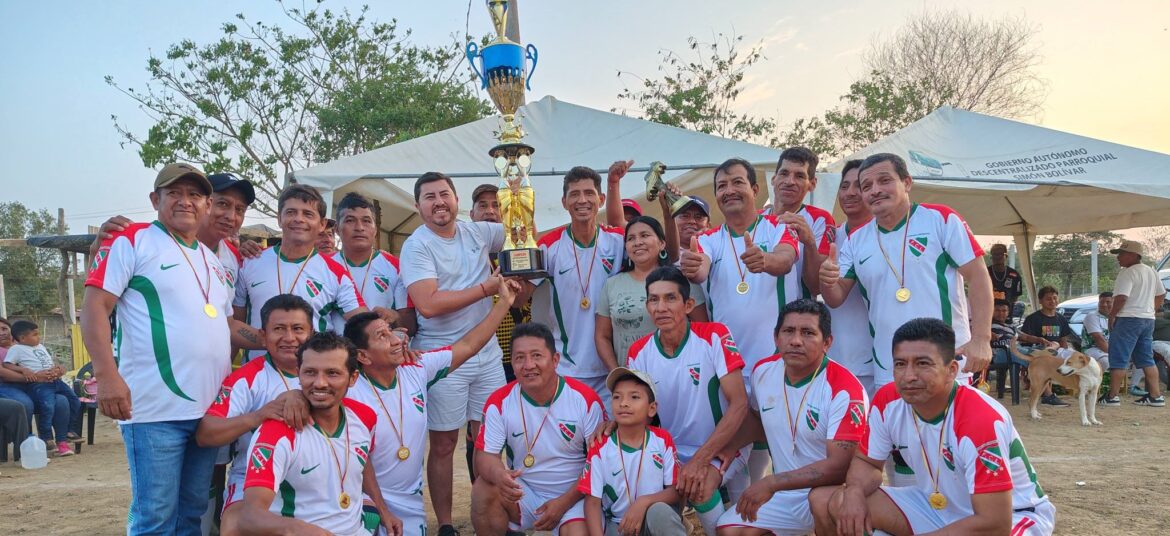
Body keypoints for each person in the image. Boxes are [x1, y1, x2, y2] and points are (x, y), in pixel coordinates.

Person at [80, 163, 250, 534]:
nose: (185, 202)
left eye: (194, 195)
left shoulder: (213, 260)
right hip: (155, 409)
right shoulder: (131, 239)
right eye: (174, 193)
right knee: (155, 517)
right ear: (155, 200)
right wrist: (106, 375)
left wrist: (274, 339)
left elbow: (223, 324)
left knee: (190, 512)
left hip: (206, 412)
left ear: (206, 205)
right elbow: (94, 307)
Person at [810, 318, 1054, 536]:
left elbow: (994, 524)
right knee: (830, 501)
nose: (909, 376)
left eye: (923, 364)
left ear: (951, 371)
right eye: (900, 364)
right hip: (939, 506)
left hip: (1013, 517)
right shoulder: (888, 401)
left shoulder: (979, 419)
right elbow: (867, 462)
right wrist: (853, 491)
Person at [344, 278, 521, 536]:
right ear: (362, 355)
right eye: (382, 336)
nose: (395, 340)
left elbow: (469, 345)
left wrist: (504, 303)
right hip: (365, 502)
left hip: (411, 505)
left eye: (392, 331)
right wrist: (382, 510)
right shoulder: (349, 391)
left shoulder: (416, 369)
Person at [819, 153, 994, 391]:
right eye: (867, 186)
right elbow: (836, 297)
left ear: (907, 183)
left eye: (884, 181)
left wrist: (982, 338)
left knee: (944, 428)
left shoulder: (940, 219)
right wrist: (827, 280)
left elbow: (978, 275)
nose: (875, 190)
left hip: (945, 362)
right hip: (888, 368)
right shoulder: (856, 240)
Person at [678, 157, 799, 486]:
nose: (728, 190)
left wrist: (767, 260)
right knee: (739, 453)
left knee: (783, 448)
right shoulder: (709, 239)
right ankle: (745, 514)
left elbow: (786, 260)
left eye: (736, 183)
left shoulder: (779, 229)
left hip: (776, 361)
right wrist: (693, 266)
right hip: (729, 365)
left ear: (755, 190)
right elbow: (700, 267)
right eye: (721, 186)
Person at [400, 172, 508, 536]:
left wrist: (519, 197)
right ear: (418, 207)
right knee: (445, 443)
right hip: (441, 356)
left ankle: (489, 517)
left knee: (489, 439)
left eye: (444, 194)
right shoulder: (416, 246)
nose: (439, 202)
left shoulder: (478, 231)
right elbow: (427, 305)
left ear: (457, 199)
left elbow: (520, 230)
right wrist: (485, 288)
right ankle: (446, 524)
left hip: (488, 352)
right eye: (429, 197)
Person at [714, 300, 868, 536]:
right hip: (785, 493)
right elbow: (757, 420)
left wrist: (771, 482)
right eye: (788, 331)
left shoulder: (845, 389)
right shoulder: (762, 371)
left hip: (831, 492)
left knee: (821, 502)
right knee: (730, 530)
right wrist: (730, 446)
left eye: (808, 333)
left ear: (827, 342)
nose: (796, 340)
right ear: (776, 337)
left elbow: (840, 466)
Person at [624, 266, 750, 536]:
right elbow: (639, 415)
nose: (661, 307)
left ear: (688, 304)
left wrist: (699, 460)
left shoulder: (714, 336)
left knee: (700, 486)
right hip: (672, 452)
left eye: (670, 298)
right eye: (654, 300)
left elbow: (739, 403)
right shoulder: (639, 351)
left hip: (721, 446)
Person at [239, 332, 398, 536]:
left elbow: (361, 460)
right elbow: (250, 516)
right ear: (298, 373)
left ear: (353, 377)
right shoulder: (275, 432)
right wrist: (300, 530)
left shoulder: (364, 417)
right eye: (310, 372)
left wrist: (383, 510)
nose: (320, 383)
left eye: (332, 373)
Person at [195, 294, 317, 534]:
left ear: (311, 333)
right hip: (252, 476)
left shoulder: (332, 372)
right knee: (233, 527)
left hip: (318, 476)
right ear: (263, 335)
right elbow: (205, 434)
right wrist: (259, 415)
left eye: (298, 329)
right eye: (279, 329)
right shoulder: (247, 378)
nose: (289, 338)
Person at [472, 322, 606, 536]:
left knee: (577, 532)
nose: (528, 365)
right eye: (519, 358)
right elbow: (485, 457)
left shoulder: (584, 400)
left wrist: (563, 503)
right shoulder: (499, 401)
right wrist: (499, 475)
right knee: (483, 488)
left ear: (555, 360)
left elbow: (599, 465)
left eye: (536, 356)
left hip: (575, 496)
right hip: (526, 494)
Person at [234, 184, 368, 360]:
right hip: (258, 375)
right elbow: (233, 324)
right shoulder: (250, 261)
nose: (299, 219)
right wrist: (274, 342)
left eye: (308, 214)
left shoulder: (335, 272)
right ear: (279, 218)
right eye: (291, 212)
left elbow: (364, 323)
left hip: (313, 376)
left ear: (322, 224)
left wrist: (391, 330)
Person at [535, 166, 626, 400]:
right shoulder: (549, 245)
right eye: (574, 194)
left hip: (611, 368)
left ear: (601, 199)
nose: (582, 200)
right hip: (567, 368)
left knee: (609, 436)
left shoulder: (617, 242)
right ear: (564, 202)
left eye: (589, 193)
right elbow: (522, 295)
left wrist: (614, 182)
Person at [580, 367, 687, 536]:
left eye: (634, 397)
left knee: (660, 511)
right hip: (618, 525)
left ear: (651, 408)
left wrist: (644, 502)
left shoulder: (662, 440)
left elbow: (676, 491)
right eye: (617, 397)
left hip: (650, 521)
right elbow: (592, 502)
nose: (623, 403)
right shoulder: (600, 446)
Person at [596, 216, 707, 370]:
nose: (638, 242)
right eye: (631, 238)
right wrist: (618, 373)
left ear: (662, 243)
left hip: (679, 373)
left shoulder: (682, 279)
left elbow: (703, 328)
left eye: (645, 235)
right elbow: (602, 336)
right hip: (632, 380)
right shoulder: (611, 284)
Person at [470, 183, 530, 382]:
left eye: (497, 206)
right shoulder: (464, 257)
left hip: (518, 353)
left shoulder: (518, 252)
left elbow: (522, 300)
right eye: (483, 206)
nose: (490, 212)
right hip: (477, 353)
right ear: (472, 215)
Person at [825, 159, 875, 395]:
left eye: (859, 186)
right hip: (837, 354)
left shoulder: (888, 235)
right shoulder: (831, 237)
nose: (850, 193)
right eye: (844, 186)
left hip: (879, 357)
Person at [331, 192, 414, 334]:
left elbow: (411, 326)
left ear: (375, 229)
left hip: (381, 352)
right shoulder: (323, 266)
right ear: (337, 229)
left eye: (366, 221)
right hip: (335, 352)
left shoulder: (396, 267)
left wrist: (395, 317)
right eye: (350, 220)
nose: (359, 227)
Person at [766, 147, 836, 302]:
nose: (789, 182)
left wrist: (810, 243)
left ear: (812, 184)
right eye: (784, 173)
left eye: (799, 176)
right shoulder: (757, 218)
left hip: (797, 317)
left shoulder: (820, 219)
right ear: (773, 178)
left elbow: (816, 287)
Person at [1102, 240, 1167, 407]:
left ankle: (1112, 396)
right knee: (1146, 358)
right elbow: (1161, 294)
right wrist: (1150, 309)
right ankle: (1155, 396)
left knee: (1119, 357)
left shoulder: (1127, 273)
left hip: (1128, 319)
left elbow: (1122, 297)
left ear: (1133, 255)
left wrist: (1112, 315)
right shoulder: (1151, 271)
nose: (1118, 257)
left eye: (1121, 254)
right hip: (1147, 320)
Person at [3, 320, 82, 455]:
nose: (38, 337)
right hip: (36, 385)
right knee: (46, 406)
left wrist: (57, 369)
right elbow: (6, 366)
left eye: (4, 328)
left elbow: (47, 361)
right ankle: (45, 438)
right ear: (22, 338)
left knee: (73, 400)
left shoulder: (39, 346)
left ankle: (68, 432)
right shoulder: (16, 349)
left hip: (53, 381)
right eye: (35, 334)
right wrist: (25, 371)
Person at [1081, 292, 1146, 397]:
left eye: (1108, 302)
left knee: (1142, 359)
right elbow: (1099, 340)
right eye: (1101, 302)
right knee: (1109, 362)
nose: (1104, 305)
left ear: (1115, 303)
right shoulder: (1092, 316)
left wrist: (1125, 353)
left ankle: (1133, 386)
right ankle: (1106, 389)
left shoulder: (1121, 317)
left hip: (1116, 350)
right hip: (1093, 349)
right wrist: (1118, 355)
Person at [1018, 286, 1072, 407]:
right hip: (1039, 352)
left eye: (1054, 298)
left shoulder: (1061, 319)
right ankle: (1048, 396)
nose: (1052, 301)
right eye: (1048, 299)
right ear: (1040, 301)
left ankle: (1074, 388)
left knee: (1076, 358)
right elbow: (1024, 339)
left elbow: (1063, 340)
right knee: (1044, 360)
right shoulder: (1033, 319)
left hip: (1057, 350)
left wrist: (1066, 354)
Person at [987, 244, 1024, 315]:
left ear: (1006, 256)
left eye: (1000, 254)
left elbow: (1015, 296)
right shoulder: (985, 273)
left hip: (1006, 314)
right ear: (991, 257)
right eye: (994, 254)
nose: (997, 257)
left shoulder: (1014, 275)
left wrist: (1005, 306)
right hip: (988, 314)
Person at [990, 300, 1018, 396]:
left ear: (1008, 312)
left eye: (1004, 310)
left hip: (1011, 352)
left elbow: (1025, 337)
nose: (1001, 313)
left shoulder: (1011, 327)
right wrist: (989, 334)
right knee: (1030, 356)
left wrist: (1040, 339)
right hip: (996, 354)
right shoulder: (987, 324)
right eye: (997, 310)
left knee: (1032, 353)